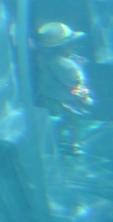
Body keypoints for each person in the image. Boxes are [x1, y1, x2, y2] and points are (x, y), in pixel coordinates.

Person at [36, 22, 93, 155]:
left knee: (60, 120)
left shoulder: (46, 58)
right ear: (63, 46)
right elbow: (74, 84)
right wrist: (84, 97)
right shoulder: (65, 64)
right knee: (73, 121)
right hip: (66, 99)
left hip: (50, 96)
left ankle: (54, 138)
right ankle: (74, 145)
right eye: (71, 43)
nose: (74, 46)